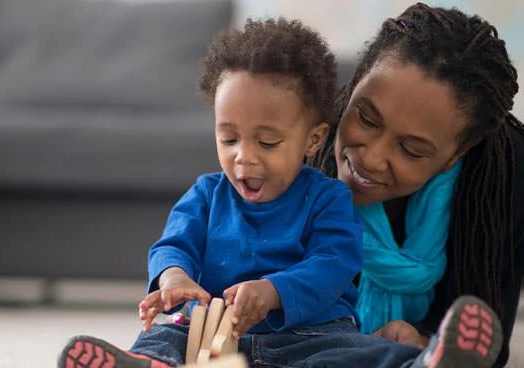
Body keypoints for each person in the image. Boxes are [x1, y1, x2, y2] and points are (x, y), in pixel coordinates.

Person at [58, 17, 365, 368]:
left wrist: (273, 292)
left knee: (354, 350)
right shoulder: (206, 194)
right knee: (162, 336)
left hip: (308, 334)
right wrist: (175, 279)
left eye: (267, 142)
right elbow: (173, 246)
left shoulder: (328, 198)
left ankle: (418, 361)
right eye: (229, 139)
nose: (243, 156)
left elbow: (334, 263)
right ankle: (148, 363)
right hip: (208, 333)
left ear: (313, 139)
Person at [309, 2, 523, 367]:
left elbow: (489, 343)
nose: (372, 158)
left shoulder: (501, 177)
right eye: (366, 117)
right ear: (359, 78)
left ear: (458, 152)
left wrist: (423, 341)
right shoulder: (305, 132)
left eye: (410, 149)